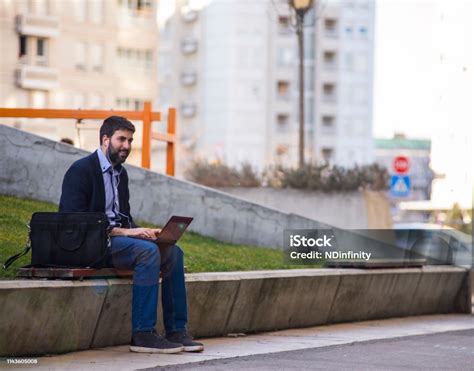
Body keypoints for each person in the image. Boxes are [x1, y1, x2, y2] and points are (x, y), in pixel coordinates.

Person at [59, 116, 203, 354]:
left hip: (115, 241)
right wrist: (128, 232)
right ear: (105, 140)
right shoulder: (81, 171)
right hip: (88, 245)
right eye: (121, 139)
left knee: (173, 252)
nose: (127, 146)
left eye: (130, 140)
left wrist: (146, 233)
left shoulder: (120, 174)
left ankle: (177, 330)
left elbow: (123, 217)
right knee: (146, 253)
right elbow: (74, 222)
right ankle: (143, 334)